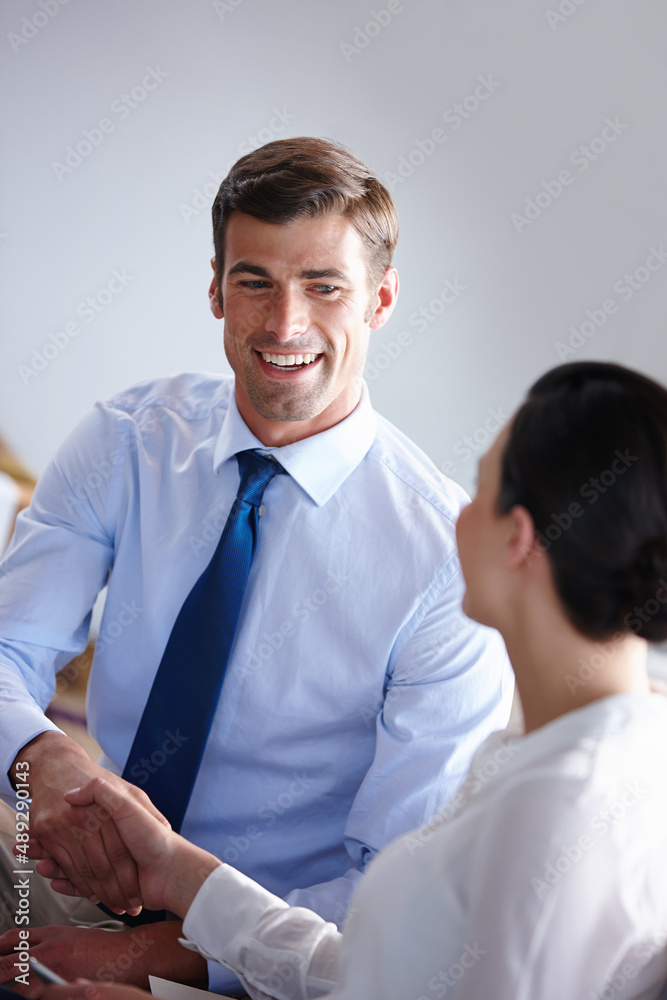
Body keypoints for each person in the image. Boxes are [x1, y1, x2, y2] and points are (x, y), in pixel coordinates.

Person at [0, 138, 512, 996]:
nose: (284, 326)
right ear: (213, 288)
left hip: (269, 947)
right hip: (78, 859)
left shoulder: (443, 562)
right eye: (255, 282)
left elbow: (397, 895)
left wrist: (162, 957)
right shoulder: (127, 442)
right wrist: (45, 761)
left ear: (380, 300)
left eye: (324, 287)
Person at [30, 360, 667, 1000]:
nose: (457, 513)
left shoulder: (560, 804)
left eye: (481, 488)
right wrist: (182, 872)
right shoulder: (565, 756)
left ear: (518, 539)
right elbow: (377, 973)